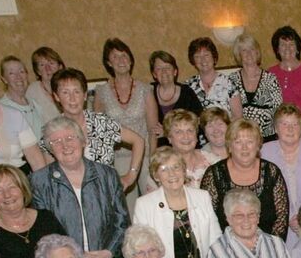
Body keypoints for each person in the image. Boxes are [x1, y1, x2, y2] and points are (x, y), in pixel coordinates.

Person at [30, 116, 131, 258]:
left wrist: (108, 252)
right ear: (50, 149)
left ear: (83, 141)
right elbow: (44, 233)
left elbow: (122, 221)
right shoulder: (39, 181)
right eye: (56, 141)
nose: (65, 146)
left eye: (70, 138)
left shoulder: (108, 175)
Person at [132, 147, 221, 258]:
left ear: (184, 170)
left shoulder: (202, 196)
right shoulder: (144, 204)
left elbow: (216, 239)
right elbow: (138, 247)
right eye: (164, 169)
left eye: (176, 167)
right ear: (156, 176)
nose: (171, 174)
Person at [50, 68, 145, 193]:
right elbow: (48, 173)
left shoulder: (102, 122)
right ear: (56, 96)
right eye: (65, 93)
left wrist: (130, 177)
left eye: (77, 92)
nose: (72, 99)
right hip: (71, 200)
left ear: (85, 95)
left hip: (107, 196)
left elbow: (138, 140)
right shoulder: (52, 131)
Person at [200, 118, 290, 238]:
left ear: (258, 145)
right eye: (238, 142)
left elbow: (281, 218)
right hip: (226, 249)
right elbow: (207, 218)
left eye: (249, 141)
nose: (244, 148)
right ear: (230, 146)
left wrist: (268, 248)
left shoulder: (271, 172)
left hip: (268, 249)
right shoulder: (214, 174)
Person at [93, 38, 159, 191]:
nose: (121, 60)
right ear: (108, 63)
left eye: (124, 55)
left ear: (130, 60)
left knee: (153, 202)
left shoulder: (145, 89)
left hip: (145, 156)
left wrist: (153, 161)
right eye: (115, 56)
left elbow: (153, 129)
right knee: (126, 208)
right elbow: (99, 131)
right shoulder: (101, 92)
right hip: (117, 158)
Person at [261, 104, 301, 240]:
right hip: (276, 228)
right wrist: (286, 217)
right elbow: (263, 194)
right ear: (276, 128)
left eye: (295, 124)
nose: (290, 129)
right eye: (284, 124)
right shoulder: (263, 152)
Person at [232, 32, 284, 142]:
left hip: (268, 138)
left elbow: (279, 111)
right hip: (242, 139)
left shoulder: (270, 78)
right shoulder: (232, 80)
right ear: (239, 54)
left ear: (257, 52)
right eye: (244, 50)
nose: (248, 53)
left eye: (251, 49)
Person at [148, 50, 202, 132]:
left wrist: (167, 131)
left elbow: (199, 121)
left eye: (168, 67)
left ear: (175, 72)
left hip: (185, 141)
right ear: (154, 74)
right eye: (159, 68)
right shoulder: (148, 92)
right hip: (157, 143)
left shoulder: (187, 92)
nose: (164, 72)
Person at [186, 36, 241, 115]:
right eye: (197, 56)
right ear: (193, 61)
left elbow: (238, 117)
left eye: (206, 55)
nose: (203, 60)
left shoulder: (229, 84)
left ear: (214, 57)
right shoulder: (188, 86)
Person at [0, 55, 45, 140]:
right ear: (4, 79)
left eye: (21, 71)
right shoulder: (0, 108)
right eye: (11, 73)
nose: (18, 77)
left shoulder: (36, 105)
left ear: (27, 75)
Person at [162, 109, 211, 187]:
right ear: (169, 138)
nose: (186, 136)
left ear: (196, 135)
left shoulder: (211, 160)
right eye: (179, 132)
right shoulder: (161, 166)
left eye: (190, 130)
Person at [26, 46, 63, 122]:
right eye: (42, 65)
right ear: (38, 71)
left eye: (51, 63)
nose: (48, 68)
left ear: (60, 67)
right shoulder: (32, 91)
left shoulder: (69, 86)